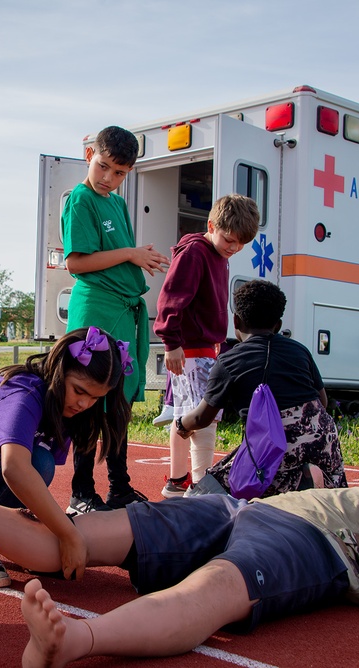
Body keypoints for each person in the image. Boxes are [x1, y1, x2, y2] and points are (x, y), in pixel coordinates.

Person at [0, 486, 359, 667]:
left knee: (212, 592)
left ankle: (73, 641)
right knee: (80, 534)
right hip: (246, 505)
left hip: (317, 541)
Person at [0, 326, 131, 588]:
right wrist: (68, 535)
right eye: (79, 391)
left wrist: (43, 530)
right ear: (60, 370)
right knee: (36, 464)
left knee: (41, 464)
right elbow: (15, 469)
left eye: (95, 398)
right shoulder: (24, 395)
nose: (84, 404)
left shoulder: (64, 408)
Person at [62, 125, 170, 514]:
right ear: (89, 155)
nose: (109, 178)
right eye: (104, 167)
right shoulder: (80, 199)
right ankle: (81, 492)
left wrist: (135, 255)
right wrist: (130, 254)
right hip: (95, 310)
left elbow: (125, 252)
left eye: (120, 172)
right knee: (90, 398)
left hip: (123, 311)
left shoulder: (117, 203)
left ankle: (121, 487)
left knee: (119, 399)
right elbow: (76, 263)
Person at [176, 279, 347, 495]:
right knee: (328, 496)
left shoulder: (229, 361)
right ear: (278, 325)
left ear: (236, 321)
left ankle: (288, 487)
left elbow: (202, 417)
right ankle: (311, 483)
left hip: (274, 444)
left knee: (203, 496)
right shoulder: (300, 351)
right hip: (322, 439)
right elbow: (322, 402)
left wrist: (181, 424)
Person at [154, 194, 260, 497]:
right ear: (211, 226)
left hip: (205, 348)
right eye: (229, 239)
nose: (233, 248)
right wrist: (171, 342)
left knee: (188, 414)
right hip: (190, 348)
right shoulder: (195, 253)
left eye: (240, 244)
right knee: (204, 416)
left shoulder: (217, 255)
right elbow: (171, 297)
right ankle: (200, 481)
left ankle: (179, 480)